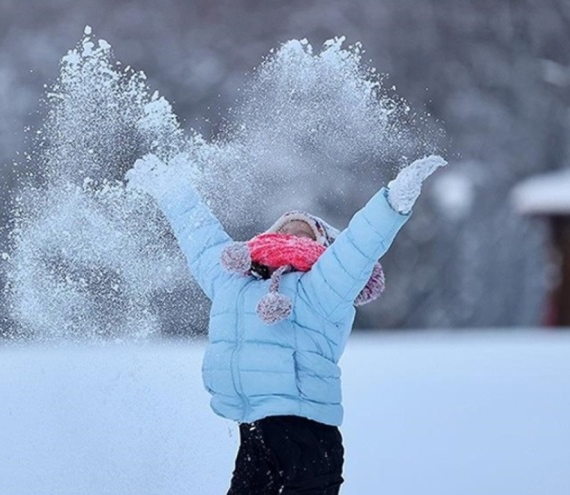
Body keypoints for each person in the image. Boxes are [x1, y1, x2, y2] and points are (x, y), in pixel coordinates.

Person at [126, 153, 446, 494]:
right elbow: (201, 240)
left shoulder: (323, 287)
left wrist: (393, 202)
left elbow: (358, 247)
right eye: (285, 227)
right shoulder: (233, 282)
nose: (294, 231)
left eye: (306, 232)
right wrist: (171, 190)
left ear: (322, 249)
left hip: (308, 438)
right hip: (253, 434)